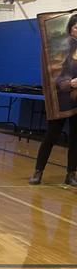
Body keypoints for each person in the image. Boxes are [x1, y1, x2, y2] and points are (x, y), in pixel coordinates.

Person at [29, 13, 77, 187]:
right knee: (51, 135)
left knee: (75, 139)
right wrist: (69, 83)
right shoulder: (61, 50)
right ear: (70, 29)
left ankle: (71, 174)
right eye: (76, 27)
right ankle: (38, 171)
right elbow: (55, 76)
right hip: (61, 99)